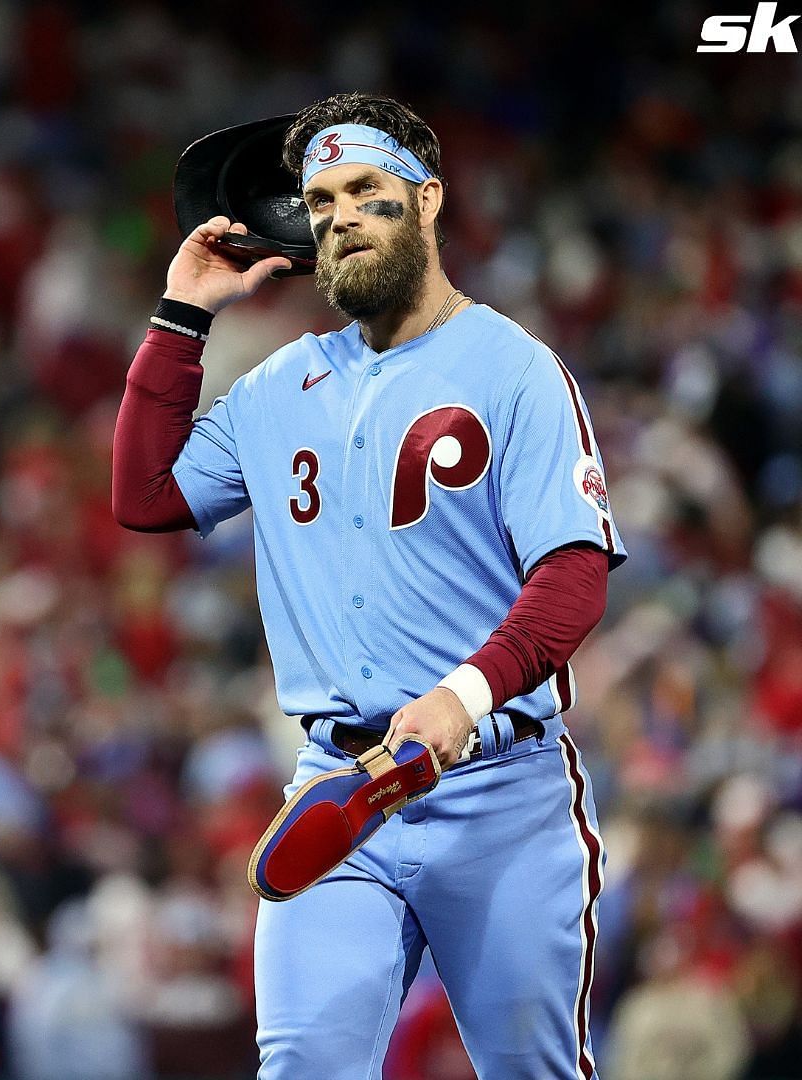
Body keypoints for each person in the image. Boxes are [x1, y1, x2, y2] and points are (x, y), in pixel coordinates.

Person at [112, 92, 623, 1078]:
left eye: (364, 190)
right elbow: (145, 497)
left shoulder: (514, 369)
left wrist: (463, 692)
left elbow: (573, 574)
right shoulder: (280, 385)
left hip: (500, 793)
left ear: (427, 201)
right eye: (318, 201)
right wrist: (183, 315)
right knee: (303, 1062)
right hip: (342, 790)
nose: (338, 214)